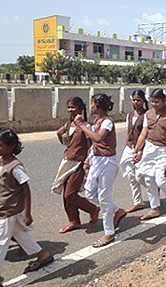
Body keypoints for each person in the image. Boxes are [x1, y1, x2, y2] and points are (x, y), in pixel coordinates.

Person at [0, 128, 54, 286]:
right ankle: (43, 254)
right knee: (19, 234)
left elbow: (25, 189)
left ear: (11, 146)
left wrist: (27, 213)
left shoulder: (15, 167)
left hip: (8, 210)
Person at [74, 93, 126, 248]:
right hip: (97, 160)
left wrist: (82, 125)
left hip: (107, 162)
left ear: (97, 105)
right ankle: (117, 211)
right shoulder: (97, 121)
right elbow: (94, 144)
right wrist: (88, 160)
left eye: (91, 104)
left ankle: (109, 232)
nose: (90, 107)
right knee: (90, 192)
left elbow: (97, 138)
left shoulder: (107, 122)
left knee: (104, 197)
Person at [132, 88, 166, 220]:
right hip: (150, 148)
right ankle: (154, 208)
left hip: (164, 150)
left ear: (164, 101)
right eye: (152, 102)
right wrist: (137, 150)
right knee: (144, 177)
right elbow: (144, 133)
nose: (154, 104)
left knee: (161, 180)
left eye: (157, 102)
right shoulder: (148, 114)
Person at [52, 97, 99, 234]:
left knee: (70, 194)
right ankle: (73, 221)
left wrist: (87, 163)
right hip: (68, 160)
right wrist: (62, 138)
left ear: (80, 108)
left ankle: (92, 209)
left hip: (79, 162)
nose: (70, 110)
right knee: (65, 193)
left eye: (73, 107)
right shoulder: (68, 125)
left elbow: (91, 145)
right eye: (69, 107)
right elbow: (61, 135)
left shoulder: (85, 126)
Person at [119, 90, 148, 213]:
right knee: (130, 175)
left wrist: (141, 150)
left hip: (142, 148)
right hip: (130, 147)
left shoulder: (146, 115)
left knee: (139, 175)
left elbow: (146, 134)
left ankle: (154, 189)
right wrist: (127, 145)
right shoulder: (129, 115)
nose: (136, 102)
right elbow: (129, 131)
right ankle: (137, 202)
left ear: (143, 101)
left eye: (138, 100)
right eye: (134, 100)